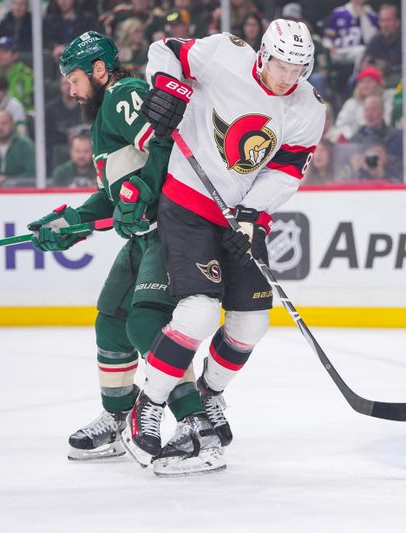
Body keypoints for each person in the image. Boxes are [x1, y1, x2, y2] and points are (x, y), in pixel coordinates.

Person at [123, 19, 325, 474]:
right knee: (197, 310)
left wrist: (253, 214)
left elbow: (287, 171)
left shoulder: (308, 105)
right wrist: (168, 87)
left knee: (251, 322)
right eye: (280, 64)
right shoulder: (223, 53)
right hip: (188, 201)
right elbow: (165, 49)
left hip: (240, 217)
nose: (287, 76)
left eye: (298, 68)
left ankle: (209, 396)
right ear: (262, 55)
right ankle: (147, 404)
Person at [26, 31, 209, 465]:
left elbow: (169, 141)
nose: (70, 89)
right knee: (112, 318)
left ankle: (197, 423)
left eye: (74, 79)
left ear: (100, 70)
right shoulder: (103, 115)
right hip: (145, 235)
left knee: (145, 326)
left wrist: (145, 189)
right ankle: (117, 416)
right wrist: (72, 222)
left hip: (172, 229)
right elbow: (117, 193)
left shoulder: (122, 94)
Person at [330, 66, 385, 142]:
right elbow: (341, 125)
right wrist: (352, 136)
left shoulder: (386, 100)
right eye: (361, 82)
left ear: (377, 84)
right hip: (355, 142)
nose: (365, 85)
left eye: (369, 81)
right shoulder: (351, 103)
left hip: (381, 140)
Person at [0, 36, 34, 111]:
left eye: (5, 52)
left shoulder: (26, 75)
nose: (0, 55)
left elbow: (28, 100)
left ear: (15, 55)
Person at [362, 3, 402, 86]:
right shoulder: (375, 40)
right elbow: (366, 62)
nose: (385, 25)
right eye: (382, 20)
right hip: (377, 78)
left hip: (400, 78)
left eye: (388, 20)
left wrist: (386, 67)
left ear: (397, 22)